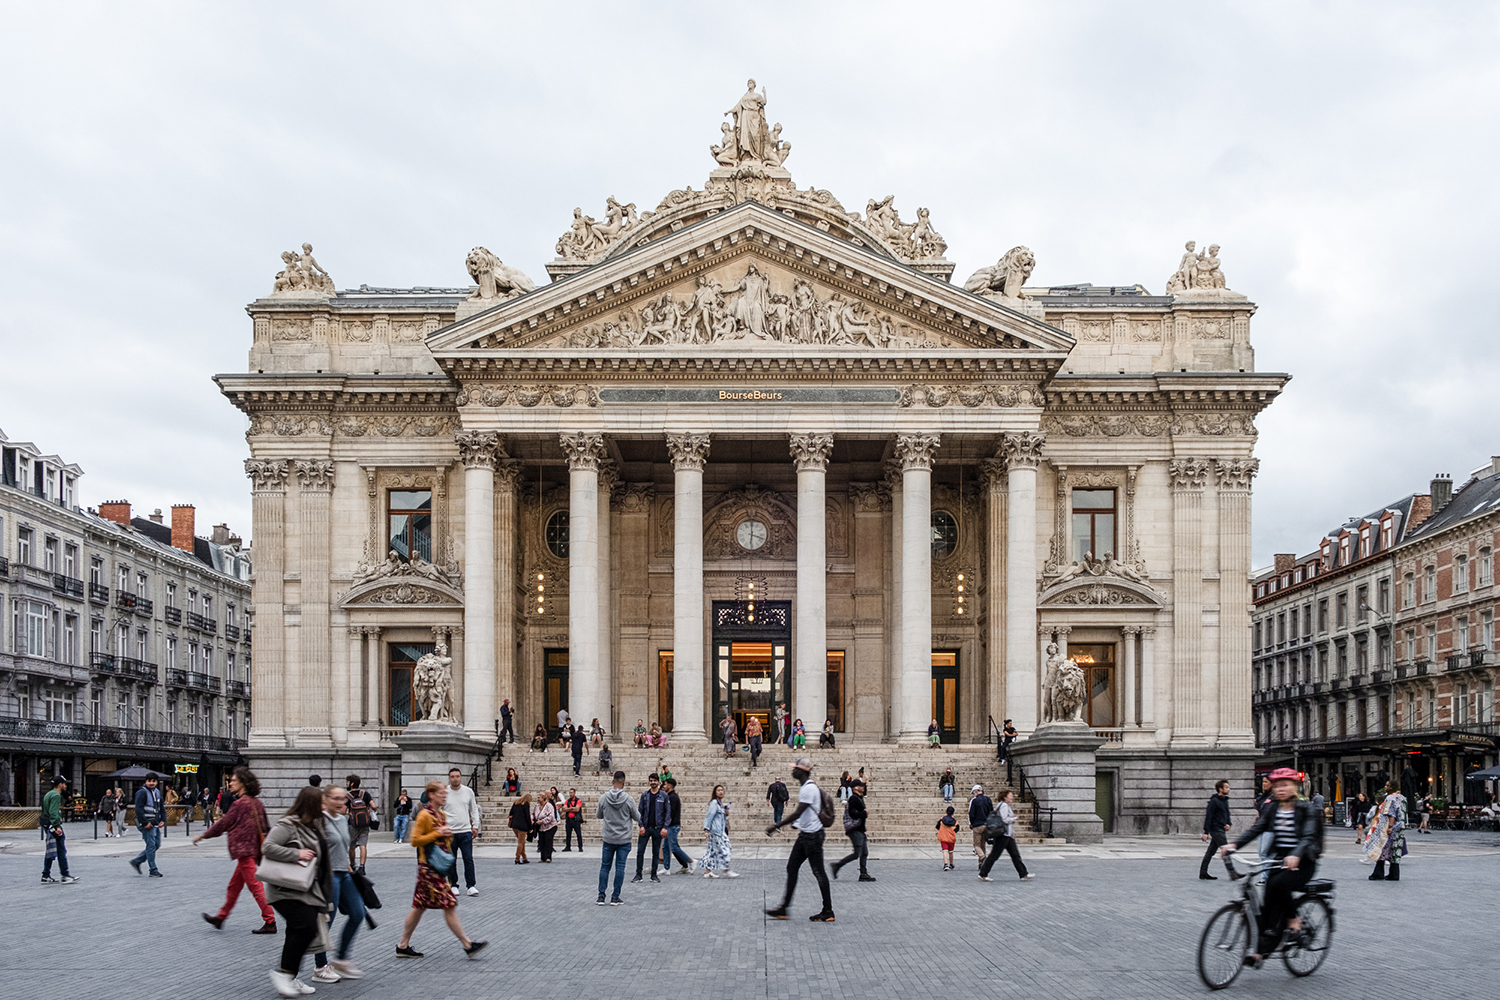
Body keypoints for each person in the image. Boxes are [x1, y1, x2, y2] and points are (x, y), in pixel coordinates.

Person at [1221, 767, 1323, 965]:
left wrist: (1296, 854)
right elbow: (1257, 829)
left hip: (1304, 861)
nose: (1280, 789)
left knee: (1277, 884)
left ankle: (1294, 920)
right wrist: (1234, 845)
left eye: (1285, 785)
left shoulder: (1306, 808)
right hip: (1280, 859)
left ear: (1295, 786)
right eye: (1277, 786)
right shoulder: (1273, 808)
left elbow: (1308, 836)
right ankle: (1260, 951)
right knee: (1266, 902)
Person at [396, 781, 487, 960]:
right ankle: (467, 944)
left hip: (435, 868)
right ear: (431, 795)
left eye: (445, 793)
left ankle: (403, 945)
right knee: (449, 905)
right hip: (428, 869)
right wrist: (438, 834)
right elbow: (415, 840)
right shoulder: (424, 816)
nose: (444, 795)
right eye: (441, 793)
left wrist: (446, 836)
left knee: (419, 907)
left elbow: (442, 840)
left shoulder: (442, 815)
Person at [262, 787, 333, 996]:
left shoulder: (314, 825)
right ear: (310, 804)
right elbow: (268, 847)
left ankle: (289, 976)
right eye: (320, 803)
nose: (324, 807)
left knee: (298, 930)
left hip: (305, 889)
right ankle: (284, 975)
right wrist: (297, 853)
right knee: (306, 927)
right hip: (285, 889)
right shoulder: (289, 824)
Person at [196, 766, 276, 934]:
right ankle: (221, 917)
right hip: (251, 850)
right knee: (234, 886)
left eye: (233, 781)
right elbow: (265, 827)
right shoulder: (257, 803)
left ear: (243, 783)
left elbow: (224, 824)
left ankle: (270, 920)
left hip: (244, 850)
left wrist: (204, 835)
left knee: (255, 886)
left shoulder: (239, 804)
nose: (230, 783)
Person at [765, 757, 834, 922]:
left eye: (795, 768)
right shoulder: (806, 787)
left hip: (813, 836)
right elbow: (804, 813)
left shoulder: (808, 789)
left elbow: (799, 812)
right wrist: (798, 824)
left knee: (818, 872)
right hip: (806, 835)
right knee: (792, 867)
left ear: (803, 771)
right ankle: (783, 908)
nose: (792, 771)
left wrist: (776, 826)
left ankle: (828, 911)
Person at [310, 784, 366, 984]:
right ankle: (320, 966)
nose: (340, 802)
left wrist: (350, 867)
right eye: (335, 798)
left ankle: (341, 957)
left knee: (358, 913)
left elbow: (343, 847)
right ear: (324, 798)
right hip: (327, 876)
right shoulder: (317, 821)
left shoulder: (343, 819)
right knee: (326, 922)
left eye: (342, 798)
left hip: (344, 873)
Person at [596, 771, 639, 905]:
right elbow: (637, 817)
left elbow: (599, 815)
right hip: (623, 838)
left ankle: (601, 896)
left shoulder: (604, 798)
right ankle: (615, 896)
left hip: (609, 837)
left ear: (612, 781)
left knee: (605, 867)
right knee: (620, 867)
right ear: (624, 782)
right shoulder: (628, 799)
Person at [979, 788, 1034, 882]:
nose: (1012, 797)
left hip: (1007, 835)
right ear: (1005, 797)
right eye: (1010, 795)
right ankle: (983, 873)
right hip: (1003, 835)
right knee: (994, 855)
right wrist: (1012, 819)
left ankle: (1023, 874)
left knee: (1015, 855)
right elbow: (1004, 819)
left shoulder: (1002, 805)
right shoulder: (1004, 806)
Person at [442, 768, 481, 894]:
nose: (455, 779)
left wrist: (475, 826)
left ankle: (471, 885)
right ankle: (453, 885)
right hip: (450, 831)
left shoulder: (468, 791)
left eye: (457, 776)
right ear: (449, 778)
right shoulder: (444, 792)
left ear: (461, 777)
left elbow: (473, 809)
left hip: (465, 830)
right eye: (452, 776)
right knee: (451, 860)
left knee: (468, 858)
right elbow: (438, 811)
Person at [1364, 779, 1408, 881]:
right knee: (1396, 851)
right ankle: (1394, 874)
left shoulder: (1390, 798)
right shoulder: (1403, 798)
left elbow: (1390, 813)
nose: (1385, 787)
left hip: (1390, 826)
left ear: (1392, 787)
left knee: (1383, 849)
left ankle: (1378, 873)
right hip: (1401, 826)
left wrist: (1390, 826)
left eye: (1387, 785)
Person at [831, 778, 873, 881]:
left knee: (864, 852)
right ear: (856, 788)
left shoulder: (859, 797)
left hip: (860, 829)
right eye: (861, 785)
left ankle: (863, 874)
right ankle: (837, 866)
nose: (863, 787)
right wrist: (864, 813)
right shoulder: (854, 799)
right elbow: (852, 814)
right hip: (855, 829)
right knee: (857, 853)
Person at [633, 774, 670, 884]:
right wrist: (641, 826)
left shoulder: (664, 796)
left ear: (658, 782)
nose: (653, 782)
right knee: (640, 852)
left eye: (655, 780)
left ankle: (654, 875)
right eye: (651, 780)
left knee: (655, 852)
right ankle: (638, 874)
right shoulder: (645, 795)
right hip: (646, 827)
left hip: (658, 828)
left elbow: (668, 812)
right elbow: (639, 812)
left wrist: (665, 827)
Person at [697, 784, 738, 878]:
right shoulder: (714, 803)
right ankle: (726, 870)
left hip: (720, 831)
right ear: (715, 792)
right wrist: (706, 829)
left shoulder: (720, 803)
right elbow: (709, 816)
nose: (721, 792)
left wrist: (726, 813)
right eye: (718, 790)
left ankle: (708, 872)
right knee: (726, 849)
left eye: (722, 790)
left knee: (712, 852)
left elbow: (719, 818)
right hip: (716, 832)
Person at [41, 776, 76, 885]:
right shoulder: (56, 795)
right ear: (60, 784)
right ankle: (65, 875)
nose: (65, 786)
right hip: (53, 825)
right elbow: (54, 812)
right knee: (61, 849)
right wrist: (57, 826)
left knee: (51, 849)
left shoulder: (49, 794)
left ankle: (46, 875)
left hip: (47, 824)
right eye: (64, 784)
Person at [129, 773, 166, 877]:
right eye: (149, 781)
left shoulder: (157, 792)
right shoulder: (142, 792)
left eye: (153, 781)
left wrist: (162, 819)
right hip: (146, 823)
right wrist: (145, 823)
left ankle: (137, 861)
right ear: (146, 781)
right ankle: (153, 870)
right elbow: (138, 809)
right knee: (151, 846)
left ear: (156, 782)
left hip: (154, 823)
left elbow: (161, 807)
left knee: (156, 845)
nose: (151, 783)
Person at [1199, 779, 1232, 880]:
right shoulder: (1214, 801)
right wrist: (1206, 832)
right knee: (1226, 849)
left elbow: (1227, 813)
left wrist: (1228, 823)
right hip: (1215, 829)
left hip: (1221, 828)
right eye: (1226, 787)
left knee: (1210, 851)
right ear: (1220, 789)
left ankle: (1203, 872)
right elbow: (1209, 816)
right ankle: (1233, 872)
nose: (1229, 789)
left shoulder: (1225, 800)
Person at [662, 777, 694, 875]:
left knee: (674, 847)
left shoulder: (672, 797)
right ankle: (666, 868)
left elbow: (670, 814)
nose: (664, 786)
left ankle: (691, 861)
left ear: (670, 786)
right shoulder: (670, 796)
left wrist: (665, 826)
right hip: (671, 826)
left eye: (666, 784)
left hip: (672, 826)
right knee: (666, 847)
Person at [345, 774, 374, 874]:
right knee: (363, 844)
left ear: (352, 783)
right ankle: (362, 867)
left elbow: (344, 811)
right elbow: (373, 806)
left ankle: (353, 865)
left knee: (352, 846)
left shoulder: (348, 796)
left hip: (352, 824)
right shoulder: (365, 794)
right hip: (365, 823)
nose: (346, 784)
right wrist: (368, 810)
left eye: (348, 782)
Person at [967, 785, 993, 868]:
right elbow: (991, 812)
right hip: (986, 824)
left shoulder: (975, 801)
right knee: (983, 844)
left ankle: (982, 857)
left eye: (974, 792)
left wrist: (971, 823)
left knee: (977, 845)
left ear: (976, 791)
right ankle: (981, 864)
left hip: (977, 825)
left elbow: (971, 814)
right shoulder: (988, 799)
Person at [532, 789, 560, 863]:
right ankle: (542, 857)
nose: (537, 799)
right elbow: (533, 814)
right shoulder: (537, 806)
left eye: (539, 797)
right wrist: (532, 819)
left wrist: (542, 821)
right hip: (541, 827)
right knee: (541, 841)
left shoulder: (549, 806)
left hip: (550, 826)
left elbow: (551, 816)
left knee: (548, 840)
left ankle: (548, 857)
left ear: (543, 798)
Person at [507, 793, 532, 864]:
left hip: (514, 825)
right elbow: (527, 816)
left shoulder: (516, 803)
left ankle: (524, 857)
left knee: (522, 842)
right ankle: (517, 858)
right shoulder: (526, 804)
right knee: (521, 842)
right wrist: (530, 827)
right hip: (522, 826)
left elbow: (510, 813)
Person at [936, 805, 959, 870]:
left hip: (943, 837)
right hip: (951, 838)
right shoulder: (955, 822)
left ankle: (945, 864)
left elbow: (937, 827)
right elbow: (957, 830)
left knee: (945, 850)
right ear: (953, 813)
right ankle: (951, 864)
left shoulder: (942, 819)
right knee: (951, 851)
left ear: (946, 811)